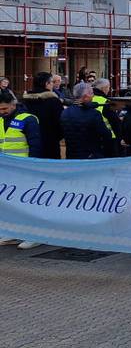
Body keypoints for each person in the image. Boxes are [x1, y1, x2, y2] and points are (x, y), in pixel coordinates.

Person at [0, 89, 43, 249]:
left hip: (25, 169)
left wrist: (32, 166)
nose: (2, 112)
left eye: (5, 109)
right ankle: (13, 232)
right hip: (7, 170)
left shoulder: (27, 119)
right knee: (11, 203)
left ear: (13, 105)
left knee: (29, 203)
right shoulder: (0, 120)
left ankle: (35, 235)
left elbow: (35, 145)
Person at [60, 82, 114, 160]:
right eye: (91, 93)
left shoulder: (65, 112)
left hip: (71, 155)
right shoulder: (94, 114)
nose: (93, 96)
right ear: (85, 97)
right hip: (91, 155)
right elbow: (106, 135)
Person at [21, 71, 63, 160]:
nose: (53, 85)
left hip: (28, 143)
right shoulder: (53, 101)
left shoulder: (25, 101)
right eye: (52, 82)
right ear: (46, 84)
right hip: (50, 144)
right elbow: (61, 123)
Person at [92, 77, 122, 156]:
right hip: (108, 136)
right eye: (108, 87)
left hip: (93, 135)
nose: (109, 89)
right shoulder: (105, 102)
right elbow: (115, 121)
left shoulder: (89, 98)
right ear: (103, 88)